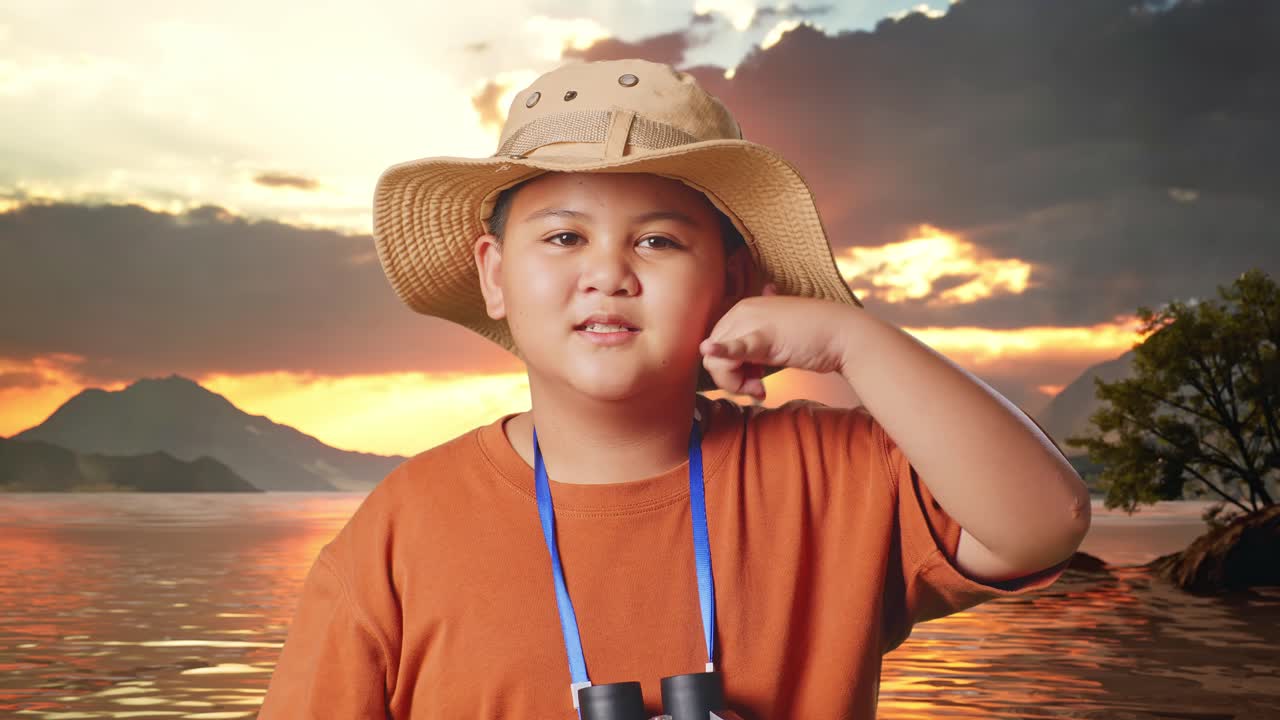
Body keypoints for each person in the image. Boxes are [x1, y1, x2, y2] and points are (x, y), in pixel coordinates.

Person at [258, 58, 1089, 719]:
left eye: (657, 240)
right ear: (495, 275)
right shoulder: (399, 534)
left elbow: (1043, 525)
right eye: (563, 236)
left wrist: (851, 340)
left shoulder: (833, 476)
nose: (608, 274)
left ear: (733, 281)